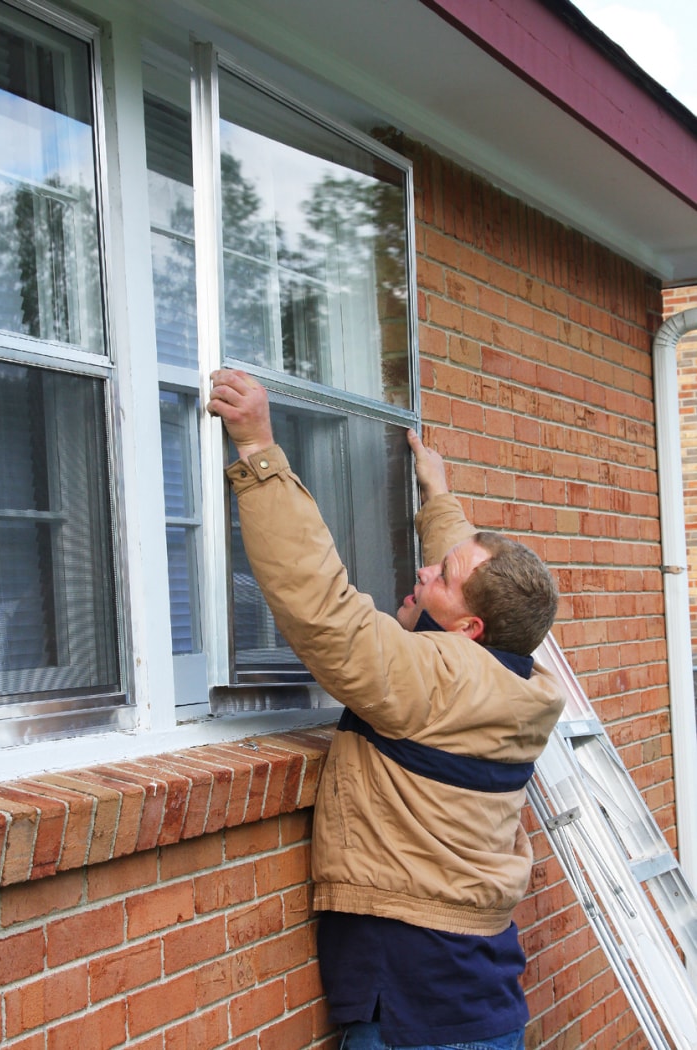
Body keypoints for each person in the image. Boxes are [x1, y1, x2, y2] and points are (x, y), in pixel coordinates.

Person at [208, 369, 564, 1050]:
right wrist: (438, 496)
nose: (427, 571)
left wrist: (258, 450)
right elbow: (470, 581)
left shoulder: (436, 682)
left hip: (414, 1003)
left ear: (468, 634)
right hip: (483, 999)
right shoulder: (518, 682)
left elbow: (325, 611)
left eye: (443, 576)